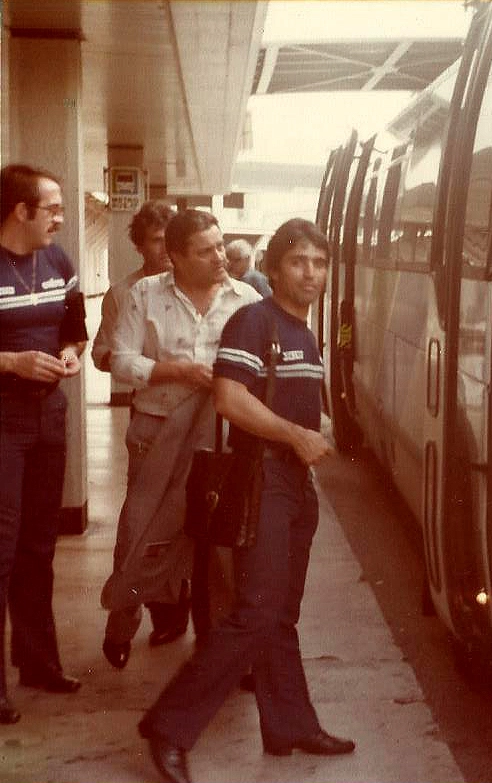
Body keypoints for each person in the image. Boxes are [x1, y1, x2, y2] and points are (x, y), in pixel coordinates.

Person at [138, 218, 353, 783]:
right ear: (275, 268)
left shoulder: (303, 331)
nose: (311, 273)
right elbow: (231, 399)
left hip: (294, 484)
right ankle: (170, 725)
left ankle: (289, 724)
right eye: (298, 262)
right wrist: (297, 434)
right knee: (255, 611)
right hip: (263, 481)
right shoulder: (254, 320)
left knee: (280, 613)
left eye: (319, 263)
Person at [101, 210, 261, 671]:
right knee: (142, 527)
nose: (219, 256)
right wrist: (178, 372)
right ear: (175, 258)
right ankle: (121, 621)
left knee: (221, 543)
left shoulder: (244, 299)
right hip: (157, 430)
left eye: (220, 244)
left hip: (222, 434)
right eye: (205, 250)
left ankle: (226, 651)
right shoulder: (144, 295)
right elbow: (120, 360)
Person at [0, 163, 89, 725]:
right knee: (0, 550)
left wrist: (71, 354)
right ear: (20, 211)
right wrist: (9, 360)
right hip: (2, 423)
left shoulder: (58, 261)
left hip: (49, 419)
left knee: (38, 546)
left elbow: (73, 328)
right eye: (52, 207)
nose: (61, 216)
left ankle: (37, 663)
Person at [91, 200, 176, 373]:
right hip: (145, 394)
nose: (166, 248)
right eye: (157, 240)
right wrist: (132, 359)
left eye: (171, 240)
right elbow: (100, 353)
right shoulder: (121, 293)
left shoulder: (195, 288)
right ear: (139, 247)